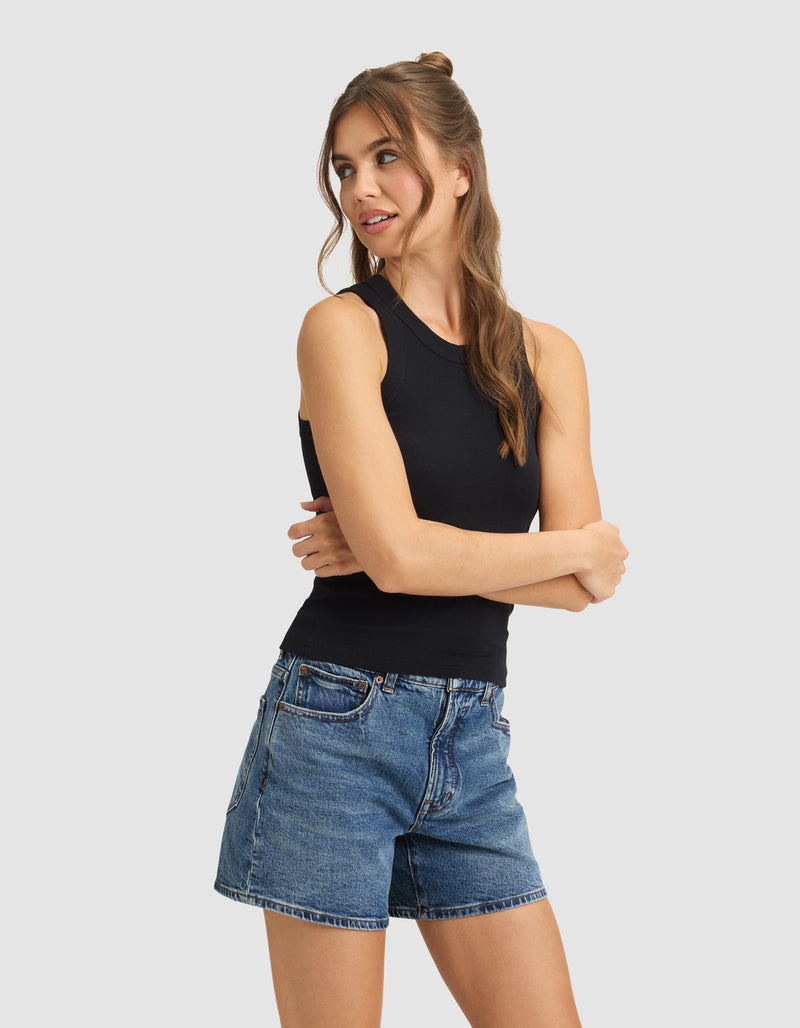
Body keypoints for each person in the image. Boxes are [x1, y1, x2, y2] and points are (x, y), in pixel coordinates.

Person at [214, 51, 628, 1028]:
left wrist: (407, 548)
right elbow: (560, 559)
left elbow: (584, 584)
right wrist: (554, 549)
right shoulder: (341, 331)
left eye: (386, 156)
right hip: (333, 727)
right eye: (343, 166)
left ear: (459, 167)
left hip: (471, 737)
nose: (358, 187)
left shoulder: (546, 356)